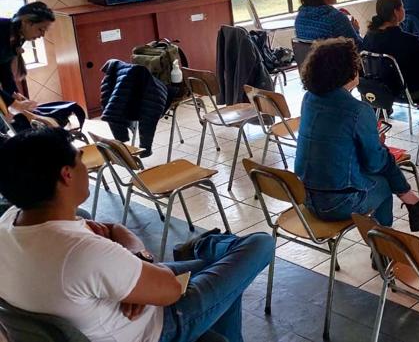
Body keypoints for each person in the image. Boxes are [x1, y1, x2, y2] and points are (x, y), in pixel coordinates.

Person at [0, 127, 274, 342]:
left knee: (229, 276)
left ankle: (211, 249)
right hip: (158, 326)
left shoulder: (9, 222)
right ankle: (208, 245)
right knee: (259, 245)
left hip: (110, 302)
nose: (85, 166)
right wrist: (135, 255)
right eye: (80, 159)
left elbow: (102, 231)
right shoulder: (81, 252)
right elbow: (168, 291)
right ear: (66, 175)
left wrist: (122, 241)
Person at [293, 38, 419, 230]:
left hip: (304, 195)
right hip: (335, 203)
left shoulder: (309, 99)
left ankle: (413, 206)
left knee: (379, 159)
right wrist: (376, 143)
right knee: (383, 183)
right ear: (347, 72)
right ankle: (384, 249)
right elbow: (374, 163)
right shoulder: (358, 110)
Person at [361, 0, 419, 101]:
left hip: (381, 88)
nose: (404, 9)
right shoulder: (408, 40)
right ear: (395, 12)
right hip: (408, 90)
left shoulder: (369, 37)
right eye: (402, 7)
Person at [0, 1, 54, 114]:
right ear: (26, 22)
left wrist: (13, 93)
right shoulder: (2, 30)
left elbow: (4, 66)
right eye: (40, 29)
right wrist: (13, 103)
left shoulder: (18, 35)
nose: (42, 35)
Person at [294, 0, 362, 46]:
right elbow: (357, 46)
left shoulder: (300, 17)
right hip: (332, 57)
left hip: (309, 57)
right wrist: (356, 30)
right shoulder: (336, 18)